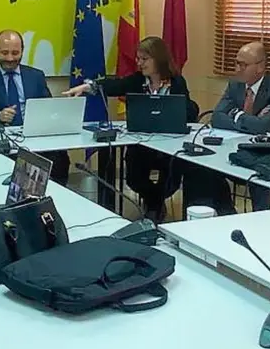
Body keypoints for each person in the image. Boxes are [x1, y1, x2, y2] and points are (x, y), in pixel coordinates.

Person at [64, 36, 195, 221]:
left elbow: (189, 111)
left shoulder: (177, 82)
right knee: (133, 178)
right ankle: (155, 203)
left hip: (170, 144)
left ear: (158, 58)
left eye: (144, 59)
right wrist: (87, 87)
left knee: (172, 177)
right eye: (138, 58)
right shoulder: (137, 80)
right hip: (141, 145)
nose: (139, 63)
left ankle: (153, 206)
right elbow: (114, 85)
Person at [0, 29, 69, 185]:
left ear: (22, 51)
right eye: (4, 53)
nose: (10, 58)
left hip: (33, 140)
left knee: (60, 157)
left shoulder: (36, 76)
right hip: (1, 144)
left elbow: (47, 107)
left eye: (15, 53)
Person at [203, 42, 270, 212]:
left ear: (260, 66)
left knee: (259, 178)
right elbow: (217, 117)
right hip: (240, 147)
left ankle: (259, 223)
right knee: (204, 169)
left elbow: (264, 126)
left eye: (243, 65)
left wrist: (235, 114)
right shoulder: (236, 84)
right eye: (236, 63)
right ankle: (227, 214)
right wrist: (248, 120)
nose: (237, 69)